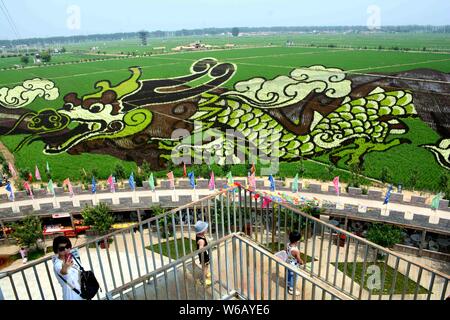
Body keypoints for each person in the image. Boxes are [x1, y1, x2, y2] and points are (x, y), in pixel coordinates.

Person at [52, 236, 83, 300]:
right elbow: (63, 272)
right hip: (71, 296)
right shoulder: (57, 264)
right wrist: (65, 267)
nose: (66, 250)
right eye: (61, 249)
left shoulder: (74, 258)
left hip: (82, 294)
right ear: (56, 250)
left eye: (67, 246)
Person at [195, 220, 212, 286]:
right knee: (205, 267)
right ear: (202, 231)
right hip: (203, 256)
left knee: (206, 266)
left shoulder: (200, 235)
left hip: (205, 254)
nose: (207, 229)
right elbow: (201, 249)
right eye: (206, 228)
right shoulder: (201, 240)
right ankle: (204, 280)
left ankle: (206, 273)